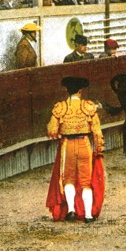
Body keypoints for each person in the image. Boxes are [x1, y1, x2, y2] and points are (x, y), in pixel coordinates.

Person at [46, 77, 105, 223]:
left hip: (67, 145)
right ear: (80, 91)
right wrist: (99, 149)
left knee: (69, 179)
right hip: (84, 144)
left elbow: (52, 131)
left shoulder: (60, 107)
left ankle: (71, 210)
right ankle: (88, 216)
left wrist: (61, 131)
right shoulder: (88, 107)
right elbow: (97, 131)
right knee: (86, 181)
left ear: (67, 90)